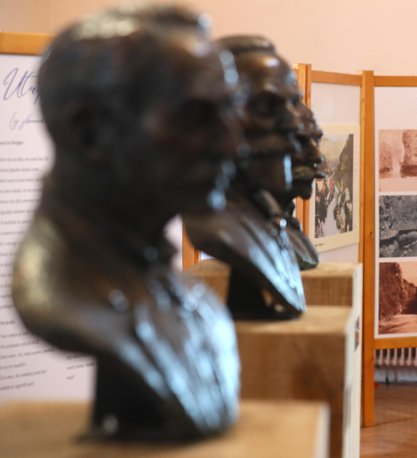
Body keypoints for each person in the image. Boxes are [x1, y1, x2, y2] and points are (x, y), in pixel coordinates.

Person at [12, 5, 243, 441]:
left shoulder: (197, 304)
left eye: (230, 111)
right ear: (91, 133)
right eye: (196, 117)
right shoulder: (58, 296)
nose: (231, 145)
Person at [183, 35, 307, 319]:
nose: (293, 126)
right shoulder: (213, 221)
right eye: (267, 107)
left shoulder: (266, 213)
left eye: (293, 104)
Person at [273, 103, 325, 270]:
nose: (317, 156)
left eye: (316, 140)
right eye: (300, 143)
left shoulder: (289, 229)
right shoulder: (248, 236)